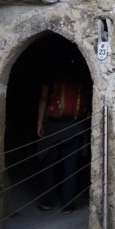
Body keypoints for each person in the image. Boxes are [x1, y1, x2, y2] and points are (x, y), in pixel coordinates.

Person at [36, 67, 90, 213]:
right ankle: (68, 204)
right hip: (75, 128)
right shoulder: (80, 73)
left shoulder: (49, 73)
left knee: (48, 163)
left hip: (53, 128)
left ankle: (47, 201)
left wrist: (40, 123)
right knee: (70, 167)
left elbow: (43, 99)